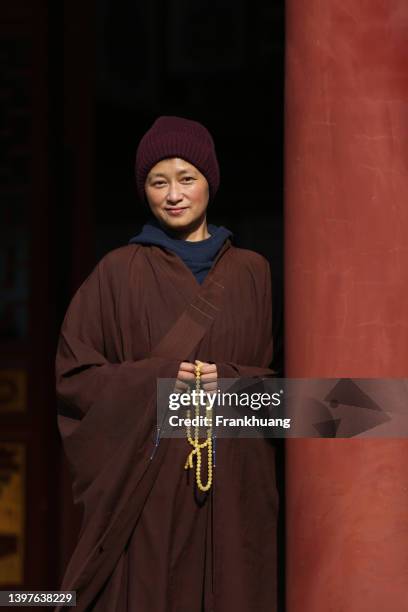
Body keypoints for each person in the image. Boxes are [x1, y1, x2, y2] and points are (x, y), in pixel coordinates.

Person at [55, 116, 279, 611]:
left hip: (235, 483)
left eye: (186, 178)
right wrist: (155, 380)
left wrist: (234, 385)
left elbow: (279, 385)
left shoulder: (252, 273)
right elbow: (74, 380)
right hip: (148, 486)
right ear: (145, 192)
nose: (173, 194)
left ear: (209, 184)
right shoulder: (117, 273)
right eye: (159, 182)